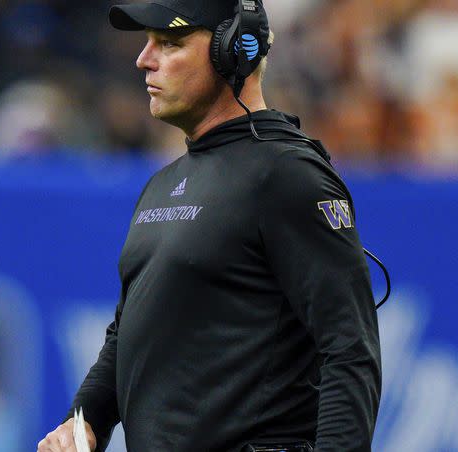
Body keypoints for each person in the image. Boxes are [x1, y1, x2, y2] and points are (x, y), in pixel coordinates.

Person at [38, 1, 381, 451]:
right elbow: (127, 333)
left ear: (232, 51)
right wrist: (84, 420)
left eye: (170, 43)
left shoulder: (287, 174)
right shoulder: (163, 184)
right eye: (148, 43)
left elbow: (350, 349)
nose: (144, 59)